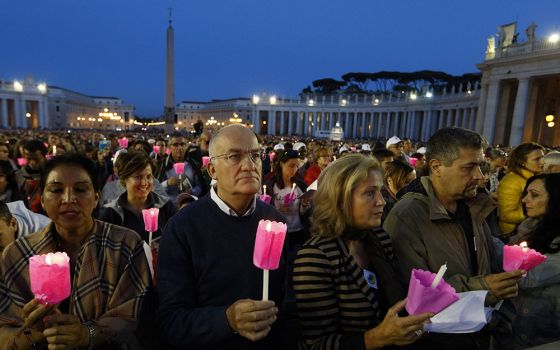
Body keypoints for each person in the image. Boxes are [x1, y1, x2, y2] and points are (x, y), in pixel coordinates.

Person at [383, 127, 525, 349]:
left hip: (475, 335)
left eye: (480, 165)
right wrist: (483, 289)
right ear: (437, 167)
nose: (479, 176)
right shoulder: (408, 216)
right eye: (468, 167)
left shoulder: (474, 205)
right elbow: (413, 296)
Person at [0, 153, 152, 349]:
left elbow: (136, 316)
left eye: (81, 189)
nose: (69, 199)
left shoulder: (125, 244)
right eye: (56, 190)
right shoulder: (17, 254)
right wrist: (34, 331)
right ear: (42, 201)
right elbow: (5, 328)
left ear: (97, 198)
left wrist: (88, 333)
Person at [156, 125, 287, 349]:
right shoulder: (182, 228)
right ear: (212, 171)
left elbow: (284, 302)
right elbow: (171, 321)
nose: (249, 165)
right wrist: (227, 320)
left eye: (255, 155)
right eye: (234, 156)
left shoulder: (274, 223)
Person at [294, 154, 432, 349]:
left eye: (381, 192)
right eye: (369, 193)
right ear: (340, 199)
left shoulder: (379, 238)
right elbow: (315, 344)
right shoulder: (315, 257)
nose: (381, 202)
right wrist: (377, 337)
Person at [507, 173, 560, 348]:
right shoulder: (528, 228)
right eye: (526, 193)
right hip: (520, 326)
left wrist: (486, 240)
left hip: (549, 332)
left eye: (534, 195)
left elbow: (526, 276)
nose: (524, 200)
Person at [101, 152, 176, 245]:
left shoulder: (166, 207)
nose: (144, 183)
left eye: (149, 177)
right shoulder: (111, 214)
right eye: (138, 177)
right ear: (124, 179)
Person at [497, 142, 544, 237]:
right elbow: (506, 215)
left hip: (530, 230)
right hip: (513, 234)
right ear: (522, 161)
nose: (542, 162)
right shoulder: (511, 181)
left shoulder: (535, 178)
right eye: (537, 159)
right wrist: (539, 213)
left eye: (543, 158)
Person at [156, 134, 202, 202]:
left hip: (190, 204)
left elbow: (199, 186)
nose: (179, 147)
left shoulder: (193, 164)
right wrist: (167, 183)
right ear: (169, 147)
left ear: (186, 146)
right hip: (169, 206)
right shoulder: (162, 165)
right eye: (175, 145)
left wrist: (191, 191)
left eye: (182, 144)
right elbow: (155, 189)